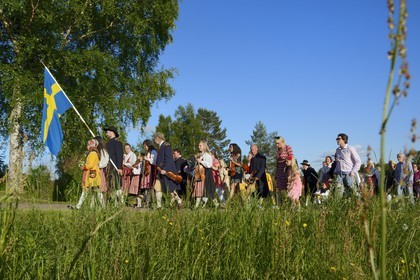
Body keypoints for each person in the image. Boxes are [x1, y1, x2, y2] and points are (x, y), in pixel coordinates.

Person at [73, 139, 105, 209]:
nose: (87, 146)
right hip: (94, 175)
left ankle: (78, 206)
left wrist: (83, 167)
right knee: (96, 191)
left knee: (86, 190)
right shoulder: (94, 153)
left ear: (91, 145)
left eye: (88, 145)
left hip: (92, 175)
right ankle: (102, 207)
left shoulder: (92, 154)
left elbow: (90, 165)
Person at [153, 132, 183, 209]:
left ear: (159, 138)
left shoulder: (166, 145)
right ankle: (159, 206)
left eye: (155, 138)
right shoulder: (160, 147)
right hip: (160, 171)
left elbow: (169, 159)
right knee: (157, 187)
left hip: (167, 171)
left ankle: (179, 201)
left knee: (171, 189)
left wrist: (165, 169)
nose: (155, 139)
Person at [333, 133, 362, 198]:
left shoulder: (350, 148)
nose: (337, 140)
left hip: (348, 173)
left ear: (344, 139)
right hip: (339, 174)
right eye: (336, 139)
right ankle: (339, 207)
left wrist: (352, 173)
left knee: (353, 192)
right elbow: (338, 162)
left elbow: (358, 161)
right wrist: (335, 171)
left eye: (338, 139)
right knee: (338, 193)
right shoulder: (337, 150)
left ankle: (361, 204)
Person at [104, 126, 123, 198]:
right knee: (109, 184)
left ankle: (120, 201)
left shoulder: (117, 143)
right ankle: (111, 201)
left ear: (112, 132)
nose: (106, 133)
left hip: (115, 167)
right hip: (108, 167)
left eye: (107, 132)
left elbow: (119, 156)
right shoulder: (107, 144)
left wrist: (120, 167)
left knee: (116, 184)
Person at [275, 136, 294, 206]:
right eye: (276, 144)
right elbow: (277, 162)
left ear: (282, 142)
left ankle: (291, 204)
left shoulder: (287, 148)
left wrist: (289, 170)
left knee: (288, 187)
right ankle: (279, 205)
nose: (277, 145)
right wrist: (276, 173)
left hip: (287, 169)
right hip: (279, 170)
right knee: (278, 188)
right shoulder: (278, 150)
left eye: (278, 143)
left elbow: (291, 157)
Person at [140, 139, 158, 208]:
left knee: (150, 186)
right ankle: (146, 202)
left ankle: (150, 202)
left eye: (145, 146)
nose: (144, 148)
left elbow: (154, 161)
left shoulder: (153, 151)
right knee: (146, 187)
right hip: (147, 171)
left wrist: (147, 159)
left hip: (151, 171)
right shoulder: (148, 152)